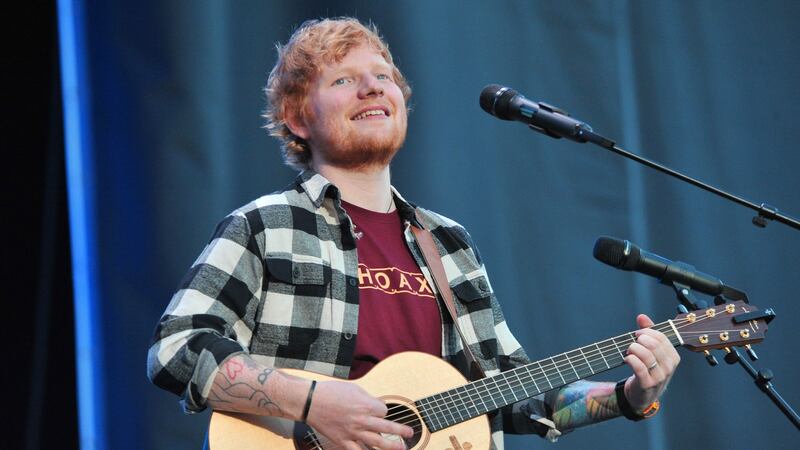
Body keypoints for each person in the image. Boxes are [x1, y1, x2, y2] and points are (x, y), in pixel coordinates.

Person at [147, 17, 680, 450]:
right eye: (342, 80)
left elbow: (512, 392)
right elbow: (177, 348)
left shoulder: (447, 242)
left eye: (383, 76)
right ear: (297, 119)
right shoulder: (266, 225)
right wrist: (311, 403)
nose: (373, 86)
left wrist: (630, 395)